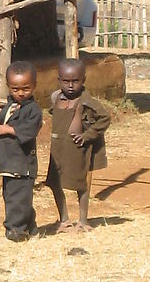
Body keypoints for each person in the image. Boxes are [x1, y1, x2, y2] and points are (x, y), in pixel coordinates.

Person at [46, 57, 111, 233]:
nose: (70, 86)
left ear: (83, 80)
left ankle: (83, 220)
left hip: (77, 148)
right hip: (58, 148)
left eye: (75, 81)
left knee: (81, 184)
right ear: (59, 80)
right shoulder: (55, 98)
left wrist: (87, 135)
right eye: (65, 81)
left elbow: (105, 118)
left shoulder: (87, 101)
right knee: (55, 182)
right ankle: (64, 220)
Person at [0, 60, 43, 242]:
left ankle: (16, 231)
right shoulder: (9, 106)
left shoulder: (33, 110)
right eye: (15, 89)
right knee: (12, 196)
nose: (20, 93)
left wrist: (10, 130)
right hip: (8, 162)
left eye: (25, 89)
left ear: (34, 86)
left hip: (22, 164)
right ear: (8, 86)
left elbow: (31, 130)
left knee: (18, 198)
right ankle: (31, 228)